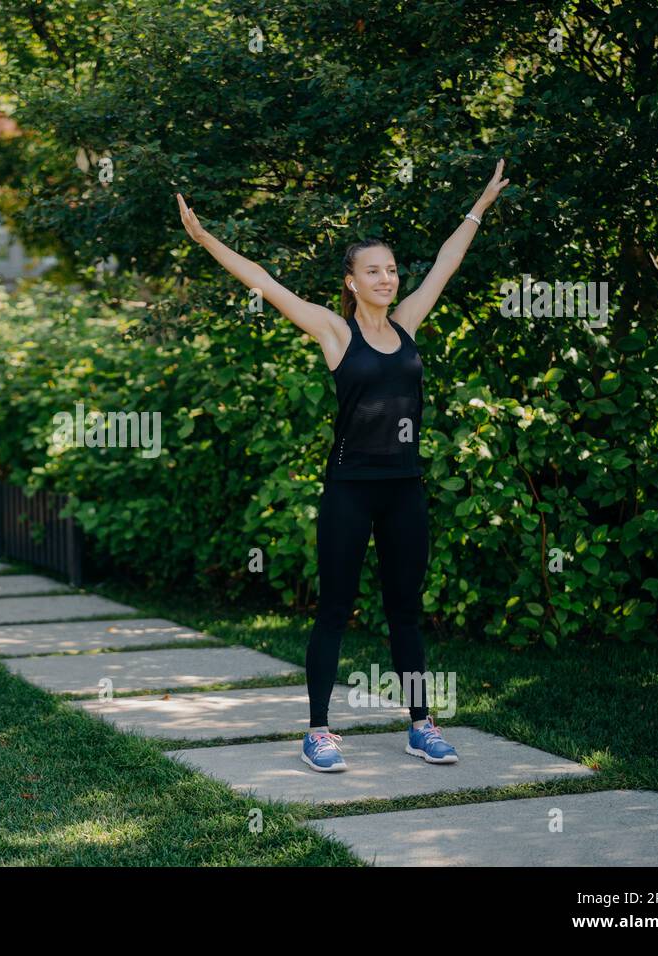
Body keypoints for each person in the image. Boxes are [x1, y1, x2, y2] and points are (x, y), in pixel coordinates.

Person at [176, 159, 510, 772]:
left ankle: (420, 724)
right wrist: (205, 239)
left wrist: (478, 208)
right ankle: (319, 731)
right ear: (352, 282)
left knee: (405, 608)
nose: (387, 278)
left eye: (390, 269)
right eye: (373, 271)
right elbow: (265, 281)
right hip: (350, 490)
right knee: (335, 606)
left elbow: (446, 262)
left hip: (404, 489)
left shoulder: (407, 325)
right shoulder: (335, 332)